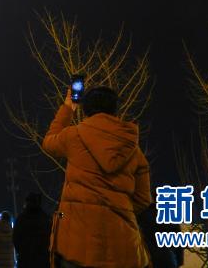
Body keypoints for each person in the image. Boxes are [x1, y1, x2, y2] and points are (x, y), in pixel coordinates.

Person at [41, 86, 150, 268]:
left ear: (86, 109)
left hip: (77, 246)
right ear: (115, 109)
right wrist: (119, 210)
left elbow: (48, 142)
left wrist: (68, 107)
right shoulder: (133, 149)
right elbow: (143, 199)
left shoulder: (72, 136)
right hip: (123, 248)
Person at [12, 193, 51, 268]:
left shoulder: (21, 218)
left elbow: (15, 238)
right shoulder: (45, 218)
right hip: (42, 260)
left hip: (25, 260)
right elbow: (49, 237)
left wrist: (21, 251)